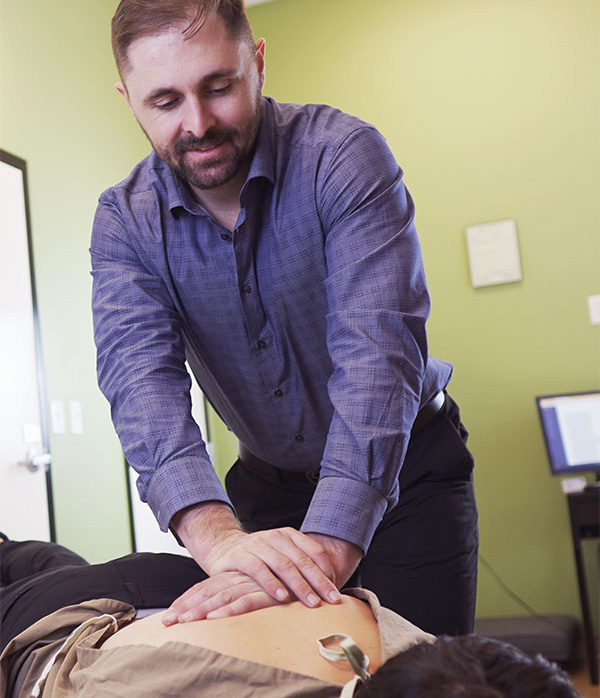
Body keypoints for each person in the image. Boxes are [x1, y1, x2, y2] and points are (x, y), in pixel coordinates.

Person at [90, 0, 479, 635]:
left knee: (422, 677)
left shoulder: (344, 157)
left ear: (258, 63)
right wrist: (220, 542)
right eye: (165, 102)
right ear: (128, 97)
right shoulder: (124, 221)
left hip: (409, 476)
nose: (198, 122)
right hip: (265, 498)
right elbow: (141, 385)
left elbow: (378, 357)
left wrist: (329, 543)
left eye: (219, 87)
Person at [0, 538, 580, 698]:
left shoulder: (432, 657)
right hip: (70, 620)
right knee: (39, 564)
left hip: (182, 587)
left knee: (48, 559)